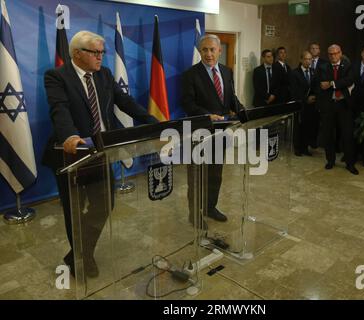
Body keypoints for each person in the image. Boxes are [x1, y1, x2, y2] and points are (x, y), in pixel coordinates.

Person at [42, 30, 157, 277]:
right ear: (77, 54)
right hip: (71, 153)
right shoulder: (57, 76)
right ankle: (83, 257)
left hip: (101, 152)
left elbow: (124, 101)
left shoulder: (104, 74)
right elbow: (59, 109)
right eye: (95, 52)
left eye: (102, 52)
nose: (101, 57)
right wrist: (70, 135)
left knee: (104, 203)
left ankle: (78, 252)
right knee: (74, 209)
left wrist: (154, 123)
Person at [181, 34, 242, 227]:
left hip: (221, 133)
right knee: (197, 176)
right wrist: (207, 116)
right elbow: (187, 103)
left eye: (212, 49)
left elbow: (231, 98)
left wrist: (244, 111)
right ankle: (194, 213)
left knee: (216, 174)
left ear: (219, 51)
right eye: (204, 50)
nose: (208, 54)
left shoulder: (226, 71)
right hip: (199, 133)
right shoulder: (190, 74)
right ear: (200, 52)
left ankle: (210, 207)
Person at [316, 44, 359, 175]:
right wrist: (333, 84)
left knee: (347, 135)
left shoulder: (348, 66)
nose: (333, 56)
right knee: (328, 135)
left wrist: (331, 84)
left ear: (340, 53)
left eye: (336, 53)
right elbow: (319, 84)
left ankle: (350, 164)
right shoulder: (323, 66)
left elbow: (349, 80)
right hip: (329, 105)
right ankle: (330, 161)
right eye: (331, 54)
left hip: (344, 105)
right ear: (328, 55)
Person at [289, 51, 318, 156]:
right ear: (301, 60)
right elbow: (294, 90)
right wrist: (305, 99)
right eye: (306, 59)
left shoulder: (314, 71)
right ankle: (298, 148)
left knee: (308, 126)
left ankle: (305, 148)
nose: (308, 61)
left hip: (311, 106)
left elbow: (315, 87)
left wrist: (314, 97)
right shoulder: (294, 73)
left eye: (310, 59)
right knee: (298, 127)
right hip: (299, 104)